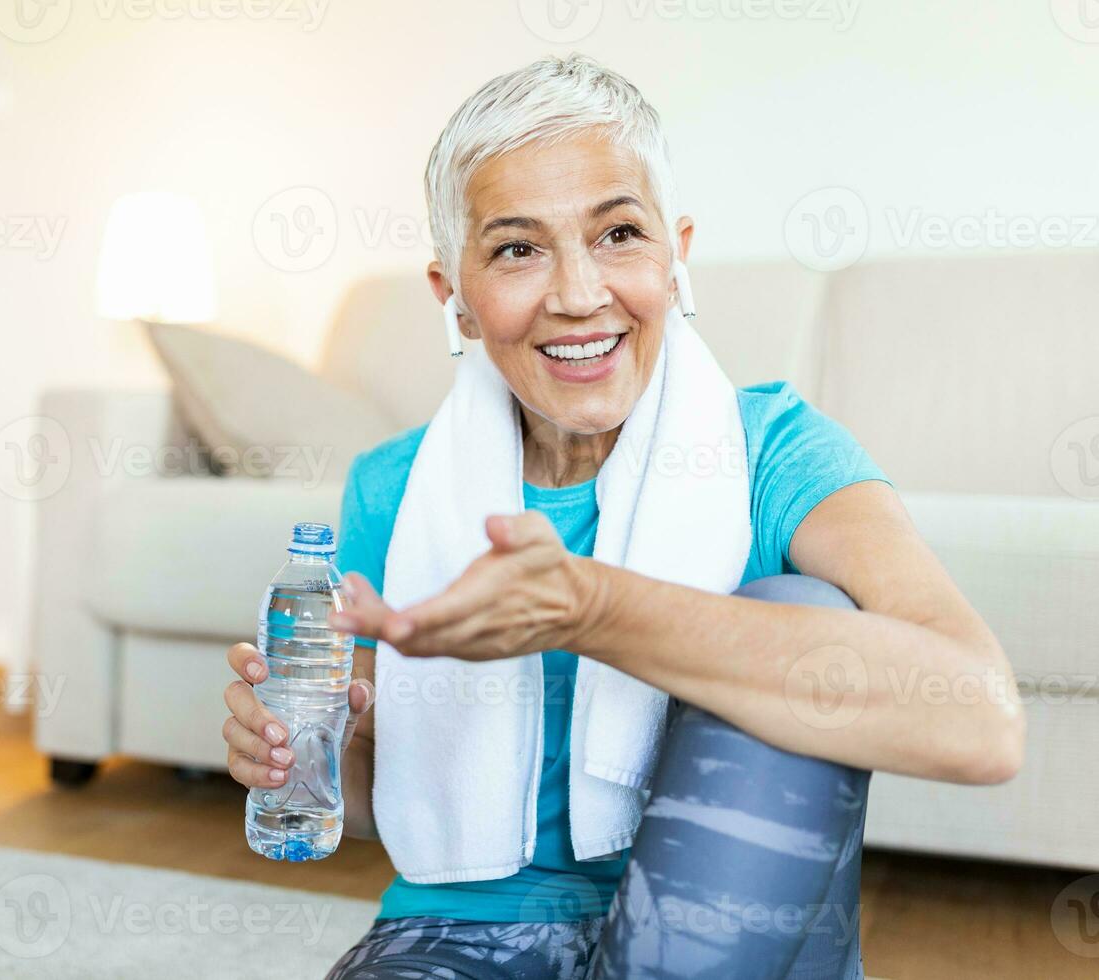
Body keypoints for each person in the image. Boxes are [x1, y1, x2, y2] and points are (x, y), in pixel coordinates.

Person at [221, 53, 1024, 979]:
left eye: (618, 235)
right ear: (455, 298)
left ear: (675, 254)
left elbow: (981, 721)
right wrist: (297, 755)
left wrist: (594, 610)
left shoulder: (777, 454)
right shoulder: (393, 490)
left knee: (804, 609)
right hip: (455, 937)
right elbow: (367, 801)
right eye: (517, 249)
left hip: (725, 929)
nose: (576, 293)